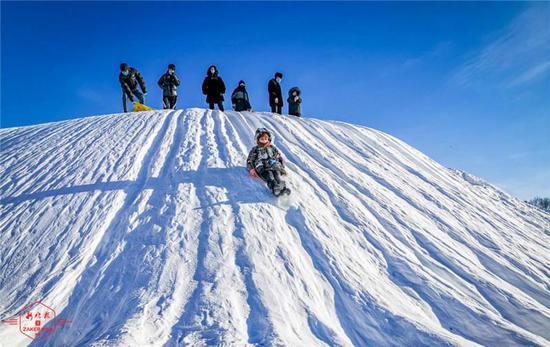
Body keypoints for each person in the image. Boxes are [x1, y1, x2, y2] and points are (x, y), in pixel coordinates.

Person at [247, 128, 291, 196]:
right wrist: (251, 169)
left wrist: (282, 168)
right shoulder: (255, 149)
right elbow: (250, 160)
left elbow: (279, 157)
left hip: (273, 166)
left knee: (277, 175)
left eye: (265, 139)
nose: (264, 141)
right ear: (257, 140)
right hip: (262, 167)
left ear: (269, 139)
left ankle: (283, 188)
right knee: (270, 176)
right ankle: (274, 188)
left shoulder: (272, 148)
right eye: (262, 139)